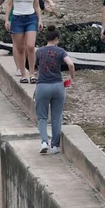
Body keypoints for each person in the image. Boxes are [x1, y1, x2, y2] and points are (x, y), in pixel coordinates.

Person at [33, 26, 76, 154]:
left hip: (42, 86)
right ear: (56, 39)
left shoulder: (39, 52)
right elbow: (70, 64)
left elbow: (34, 66)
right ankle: (55, 146)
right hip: (57, 86)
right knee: (56, 117)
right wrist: (72, 77)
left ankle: (44, 142)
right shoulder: (61, 51)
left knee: (42, 117)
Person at [2, 0, 42, 83]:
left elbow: (36, 5)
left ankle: (32, 73)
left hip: (31, 18)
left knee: (30, 46)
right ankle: (23, 74)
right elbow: (9, 4)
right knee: (20, 48)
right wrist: (7, 19)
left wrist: (39, 19)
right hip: (17, 18)